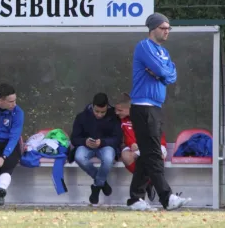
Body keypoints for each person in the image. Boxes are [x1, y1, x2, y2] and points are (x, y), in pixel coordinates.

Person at [127, 13, 191, 211]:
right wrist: (162, 72)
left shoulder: (163, 52)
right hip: (143, 107)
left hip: (155, 107)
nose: (167, 31)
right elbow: (164, 72)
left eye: (169, 28)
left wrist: (162, 72)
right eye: (163, 27)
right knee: (153, 152)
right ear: (153, 28)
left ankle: (136, 199)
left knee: (148, 153)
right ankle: (167, 197)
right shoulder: (144, 46)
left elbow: (170, 74)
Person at [114, 92, 167, 202]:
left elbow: (155, 136)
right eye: (116, 109)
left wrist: (140, 145)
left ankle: (148, 183)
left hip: (153, 145)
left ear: (129, 108)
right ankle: (148, 182)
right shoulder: (122, 120)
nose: (116, 113)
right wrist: (131, 144)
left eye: (120, 110)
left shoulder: (144, 117)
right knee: (127, 156)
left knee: (156, 156)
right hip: (135, 147)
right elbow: (126, 136)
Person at [70, 92, 122, 205]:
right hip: (86, 146)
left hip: (106, 146)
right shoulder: (82, 117)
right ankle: (102, 183)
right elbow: (74, 138)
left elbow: (117, 139)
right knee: (79, 157)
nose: (99, 114)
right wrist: (85, 141)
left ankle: (97, 187)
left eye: (103, 112)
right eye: (97, 111)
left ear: (107, 107)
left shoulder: (114, 117)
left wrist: (102, 142)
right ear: (92, 106)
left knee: (108, 159)